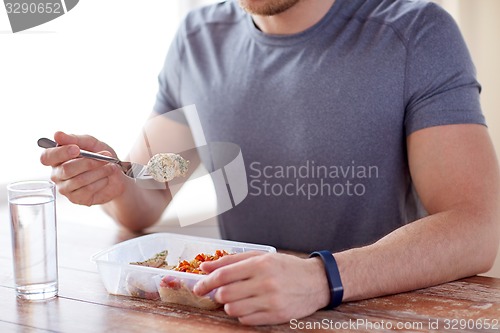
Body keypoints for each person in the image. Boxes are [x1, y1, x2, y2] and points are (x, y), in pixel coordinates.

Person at [40, 0, 500, 326]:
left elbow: (476, 227)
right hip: (238, 316)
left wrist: (322, 279)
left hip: (370, 315)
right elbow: (148, 196)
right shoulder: (197, 39)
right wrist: (112, 180)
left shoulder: (417, 33)